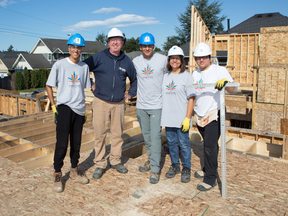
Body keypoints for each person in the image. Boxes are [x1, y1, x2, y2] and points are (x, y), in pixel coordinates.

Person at [83, 28, 137, 179]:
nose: (115, 42)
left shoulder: (126, 61)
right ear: (108, 42)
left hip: (119, 104)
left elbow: (135, 80)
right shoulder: (99, 57)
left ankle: (115, 160)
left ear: (122, 42)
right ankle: (100, 163)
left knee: (117, 134)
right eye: (112, 40)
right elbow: (82, 68)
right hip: (100, 102)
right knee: (100, 134)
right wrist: (91, 82)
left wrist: (131, 93)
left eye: (118, 40)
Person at [46, 33, 91, 193]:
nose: (76, 50)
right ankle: (58, 173)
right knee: (62, 144)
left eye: (79, 47)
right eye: (73, 47)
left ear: (82, 49)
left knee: (76, 143)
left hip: (79, 109)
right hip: (64, 108)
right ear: (69, 48)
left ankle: (74, 169)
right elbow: (49, 85)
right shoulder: (59, 65)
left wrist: (84, 109)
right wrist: (53, 106)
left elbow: (83, 90)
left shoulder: (84, 67)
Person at [191, 42, 238, 191]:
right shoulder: (195, 73)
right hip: (200, 115)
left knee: (210, 146)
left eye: (204, 57)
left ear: (210, 57)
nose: (201, 60)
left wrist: (226, 83)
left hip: (214, 114)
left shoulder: (219, 70)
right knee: (207, 144)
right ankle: (207, 168)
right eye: (198, 58)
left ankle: (210, 178)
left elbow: (233, 89)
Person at [132, 32, 167, 184]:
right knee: (147, 137)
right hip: (141, 106)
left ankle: (155, 168)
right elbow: (131, 79)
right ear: (140, 47)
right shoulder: (135, 61)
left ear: (154, 46)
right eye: (144, 46)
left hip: (156, 105)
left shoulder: (162, 60)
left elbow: (173, 75)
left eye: (149, 45)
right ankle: (151, 160)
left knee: (156, 136)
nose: (147, 48)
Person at [161, 46, 196, 183]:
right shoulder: (165, 77)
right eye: (172, 58)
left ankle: (186, 167)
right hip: (168, 118)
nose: (174, 61)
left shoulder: (187, 77)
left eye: (177, 58)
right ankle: (175, 165)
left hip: (182, 118)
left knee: (184, 144)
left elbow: (191, 98)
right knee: (172, 144)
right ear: (169, 60)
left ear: (181, 60)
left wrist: (188, 118)